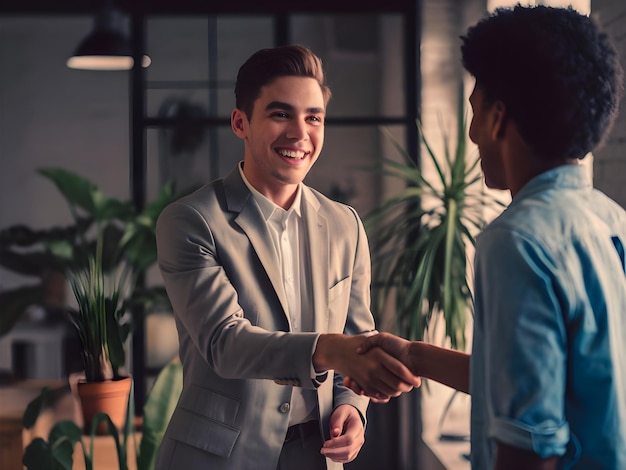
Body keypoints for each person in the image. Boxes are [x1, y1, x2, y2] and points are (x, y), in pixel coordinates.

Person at [349, 5, 626, 470]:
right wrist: (414, 354)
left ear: (498, 120)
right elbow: (538, 383)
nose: (472, 132)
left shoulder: (514, 240)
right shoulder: (611, 220)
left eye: (474, 110)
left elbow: (532, 441)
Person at [154, 44, 419, 470]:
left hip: (316, 453)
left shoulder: (345, 224)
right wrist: (331, 350)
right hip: (219, 457)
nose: (300, 133)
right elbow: (226, 343)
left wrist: (353, 409)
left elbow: (357, 333)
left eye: (313, 117)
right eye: (281, 114)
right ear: (241, 122)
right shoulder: (190, 220)